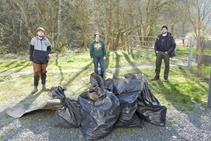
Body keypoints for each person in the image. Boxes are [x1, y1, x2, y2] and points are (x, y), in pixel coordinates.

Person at [29, 27, 51, 94]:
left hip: (44, 59)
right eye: (39, 31)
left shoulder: (46, 40)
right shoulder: (33, 39)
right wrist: (31, 59)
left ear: (44, 33)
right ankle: (35, 88)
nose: (40, 33)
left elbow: (49, 48)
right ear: (37, 33)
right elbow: (31, 49)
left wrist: (47, 54)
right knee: (36, 73)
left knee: (43, 73)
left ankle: (44, 87)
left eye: (42, 32)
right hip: (36, 59)